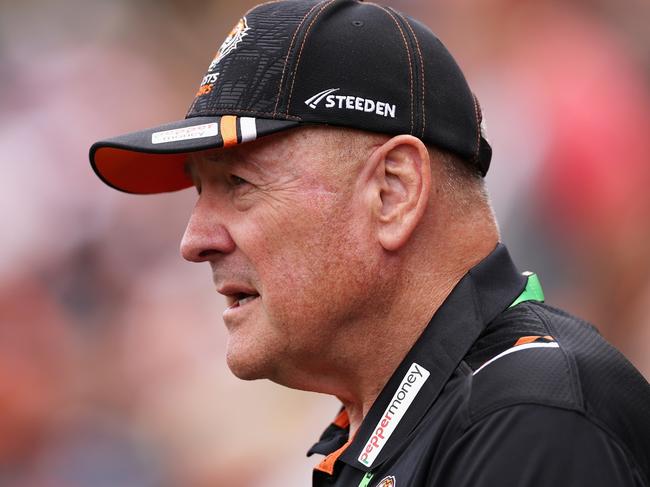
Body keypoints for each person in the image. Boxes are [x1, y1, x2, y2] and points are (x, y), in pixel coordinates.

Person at [89, 1, 650, 485]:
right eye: (198, 190)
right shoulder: (437, 414)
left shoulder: (528, 421)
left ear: (393, 192)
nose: (195, 241)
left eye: (238, 184)